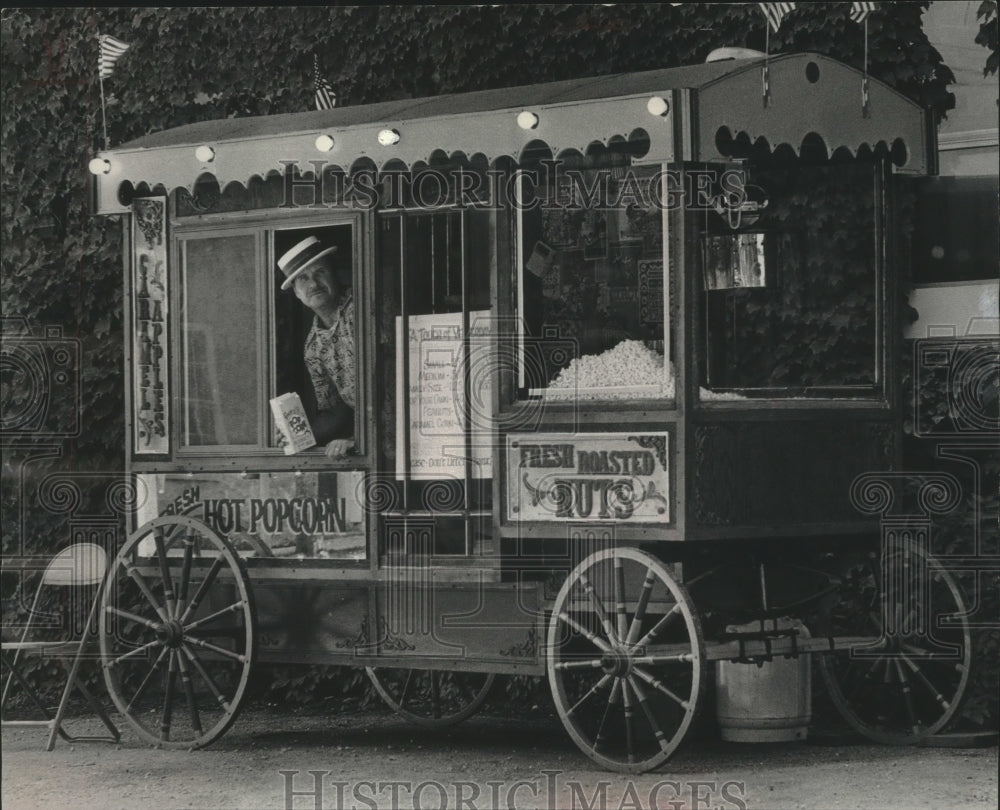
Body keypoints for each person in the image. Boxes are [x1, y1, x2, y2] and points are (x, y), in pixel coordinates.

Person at [277, 235, 355, 457]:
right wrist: (293, 437)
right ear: (296, 292)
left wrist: (358, 439)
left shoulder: (363, 307)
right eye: (302, 278)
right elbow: (334, 412)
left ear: (334, 273)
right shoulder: (313, 347)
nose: (313, 284)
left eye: (320, 272)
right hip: (373, 435)